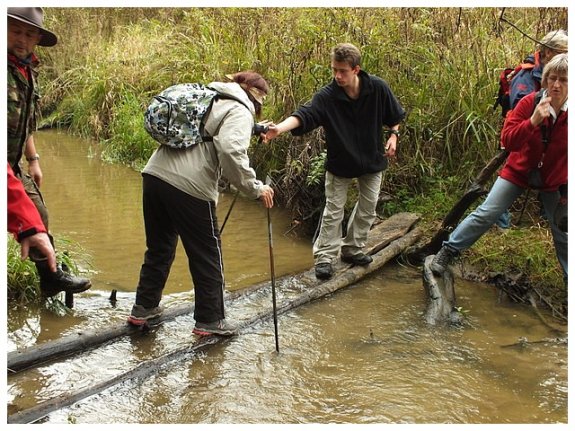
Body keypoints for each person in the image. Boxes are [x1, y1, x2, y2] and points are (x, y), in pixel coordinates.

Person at [128, 71, 275, 336]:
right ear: (257, 97)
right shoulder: (241, 111)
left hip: (155, 176)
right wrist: (255, 188)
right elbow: (230, 150)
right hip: (190, 185)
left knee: (159, 248)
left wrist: (256, 129)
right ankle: (210, 320)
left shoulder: (210, 97)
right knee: (207, 253)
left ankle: (143, 308)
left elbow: (211, 130)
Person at [265, 43, 405, 280]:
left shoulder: (377, 88)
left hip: (372, 159)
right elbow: (304, 114)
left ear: (356, 69)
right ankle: (325, 257)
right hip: (341, 162)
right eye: (334, 70)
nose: (337, 76)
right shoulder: (327, 96)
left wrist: (393, 135)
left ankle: (352, 249)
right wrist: (278, 129)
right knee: (333, 211)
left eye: (342, 71)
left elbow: (394, 116)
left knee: (368, 207)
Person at [431, 53, 568, 282]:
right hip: (518, 171)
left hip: (554, 179)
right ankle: (448, 251)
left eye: (563, 80)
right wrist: (533, 121)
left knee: (563, 231)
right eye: (552, 78)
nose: (556, 84)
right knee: (487, 213)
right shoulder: (530, 103)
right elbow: (508, 140)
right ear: (545, 79)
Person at [7, 7, 91, 297]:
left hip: (13, 162)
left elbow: (24, 122)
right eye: (15, 30)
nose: (22, 39)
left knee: (37, 213)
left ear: (37, 40)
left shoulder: (26, 70)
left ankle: (50, 277)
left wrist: (33, 160)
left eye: (29, 34)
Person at [496, 29, 568, 228]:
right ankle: (501, 223)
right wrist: (536, 120)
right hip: (522, 145)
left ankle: (548, 220)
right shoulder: (526, 77)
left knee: (560, 225)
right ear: (547, 52)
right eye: (563, 52)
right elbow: (519, 115)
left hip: (547, 155)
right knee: (491, 208)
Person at [7, 163, 57, 273]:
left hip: (14, 168)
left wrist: (33, 160)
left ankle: (49, 274)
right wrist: (29, 228)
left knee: (40, 213)